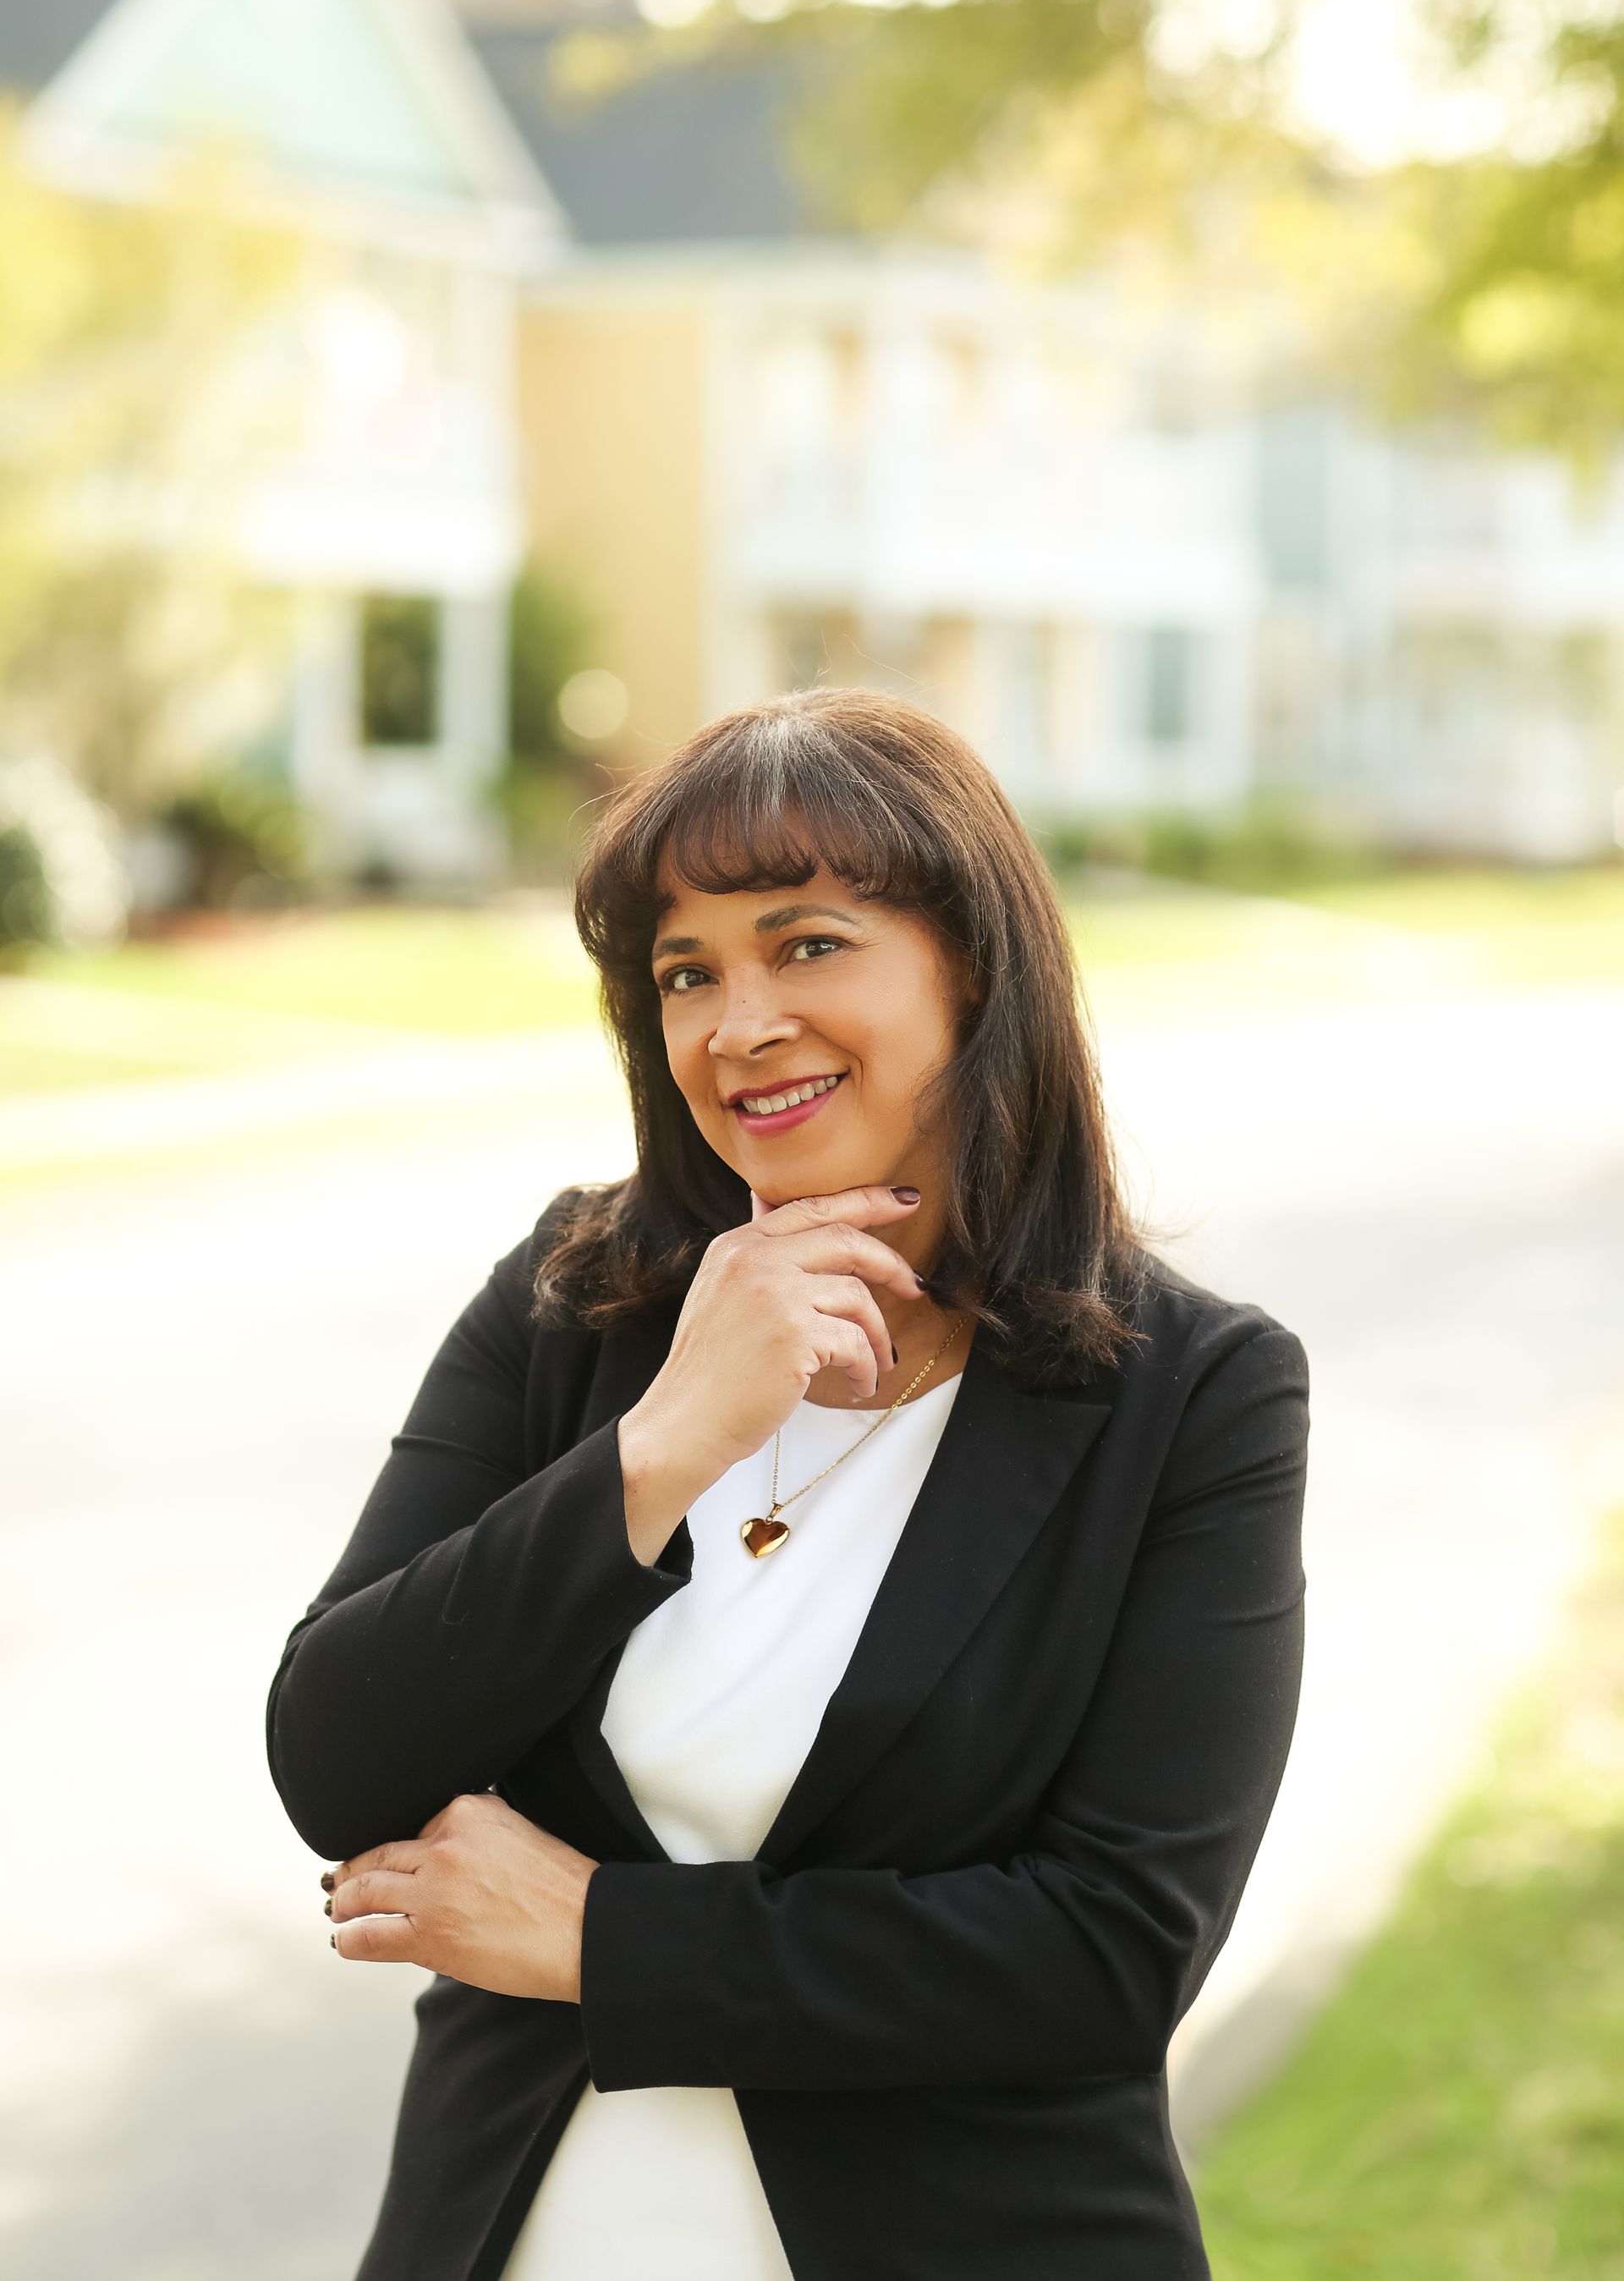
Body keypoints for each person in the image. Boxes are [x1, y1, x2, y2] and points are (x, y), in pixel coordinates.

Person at [266, 686, 1310, 2281]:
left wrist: (605, 1945)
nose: (736, 1021)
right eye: (686, 971)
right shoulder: (573, 1302)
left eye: (807, 942)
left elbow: (1109, 1947)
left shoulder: (1195, 1396)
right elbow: (335, 1754)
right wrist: (668, 1436)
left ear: (975, 967)